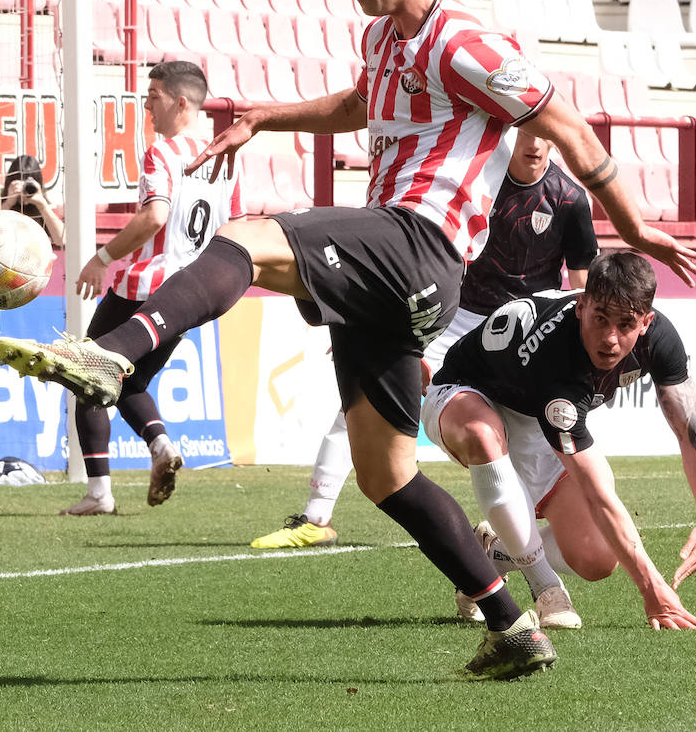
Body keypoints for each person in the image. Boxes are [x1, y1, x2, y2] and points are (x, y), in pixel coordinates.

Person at [0, 0, 696, 679]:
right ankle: (512, 626)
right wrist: (266, 116)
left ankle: (114, 354)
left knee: (249, 238)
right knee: (385, 474)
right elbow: (360, 105)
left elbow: (566, 127)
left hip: (422, 240)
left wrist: (635, 227)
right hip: (399, 269)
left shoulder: (467, 43)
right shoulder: (384, 38)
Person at [250, 133, 598, 631]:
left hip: (526, 329)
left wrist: (575, 355)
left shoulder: (569, 198)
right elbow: (414, 251)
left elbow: (582, 288)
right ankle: (316, 516)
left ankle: (494, 555)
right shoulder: (478, 177)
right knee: (364, 403)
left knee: (571, 516)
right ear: (508, 128)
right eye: (526, 129)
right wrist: (374, 325)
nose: (536, 143)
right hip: (452, 317)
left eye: (546, 133)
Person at [425, 251, 696, 631]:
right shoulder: (557, 360)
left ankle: (493, 554)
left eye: (625, 324)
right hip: (463, 393)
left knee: (598, 556)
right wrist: (652, 588)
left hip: (534, 416)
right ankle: (546, 588)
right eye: (600, 319)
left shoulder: (660, 339)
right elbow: (598, 495)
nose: (610, 339)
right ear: (581, 306)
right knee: (484, 433)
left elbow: (691, 429)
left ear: (647, 322)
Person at [60, 60, 244, 515]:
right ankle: (161, 446)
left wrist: (102, 259)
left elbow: (154, 216)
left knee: (87, 375)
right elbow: (237, 226)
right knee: (130, 381)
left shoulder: (162, 153)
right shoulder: (228, 159)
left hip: (145, 284)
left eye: (154, 96)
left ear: (181, 102)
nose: (147, 106)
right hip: (191, 293)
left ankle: (99, 493)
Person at [0, 154, 65, 247]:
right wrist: (7, 203)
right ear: (10, 182)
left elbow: (62, 240)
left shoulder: (46, 207)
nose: (24, 190)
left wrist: (42, 206)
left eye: (28, 185)